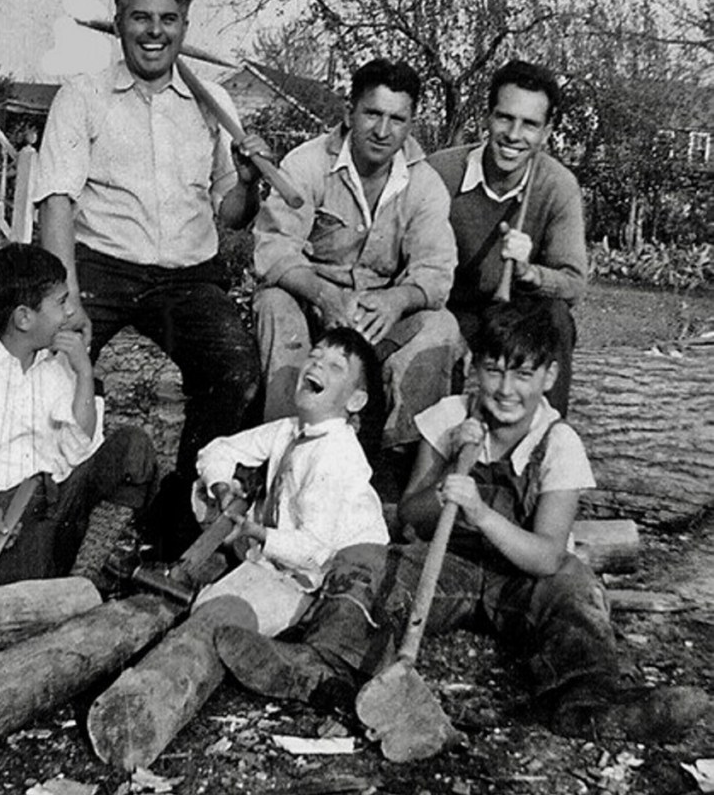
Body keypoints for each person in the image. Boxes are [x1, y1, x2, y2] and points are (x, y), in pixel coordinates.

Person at [213, 299, 709, 743]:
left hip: (519, 579)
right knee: (363, 561)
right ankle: (321, 668)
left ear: (549, 378)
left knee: (577, 586)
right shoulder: (449, 417)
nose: (505, 389)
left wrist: (479, 510)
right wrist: (451, 465)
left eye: (522, 375)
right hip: (443, 563)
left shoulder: (558, 444)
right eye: (494, 372)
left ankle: (590, 706)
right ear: (475, 369)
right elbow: (411, 516)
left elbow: (547, 555)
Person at [34, 0, 269, 550]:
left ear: (185, 25)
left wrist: (247, 182)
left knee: (235, 371)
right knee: (55, 367)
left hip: (189, 278)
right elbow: (56, 204)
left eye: (169, 19)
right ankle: (50, 513)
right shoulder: (82, 97)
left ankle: (172, 525)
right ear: (118, 22)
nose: (154, 31)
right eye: (141, 17)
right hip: (101, 266)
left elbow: (230, 214)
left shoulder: (212, 105)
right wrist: (65, 301)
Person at [142, 327, 389, 730]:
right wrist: (223, 488)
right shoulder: (289, 430)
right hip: (281, 557)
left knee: (228, 616)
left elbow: (312, 550)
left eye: (333, 366)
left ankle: (309, 665)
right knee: (209, 604)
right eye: (314, 355)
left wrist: (258, 535)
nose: (315, 364)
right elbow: (217, 450)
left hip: (330, 566)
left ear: (355, 400)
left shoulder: (338, 453)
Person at [253, 57, 461, 487]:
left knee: (440, 325)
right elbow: (273, 251)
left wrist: (397, 299)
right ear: (350, 112)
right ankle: (283, 457)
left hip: (378, 314)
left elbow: (436, 272)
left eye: (397, 119)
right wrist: (323, 296)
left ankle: (396, 472)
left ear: (410, 123)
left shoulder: (423, 184)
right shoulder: (307, 163)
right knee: (274, 305)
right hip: (312, 304)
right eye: (372, 114)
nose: (383, 131)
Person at [0, 244, 157, 585]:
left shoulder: (56, 368)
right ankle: (60, 581)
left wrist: (84, 373)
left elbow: (81, 450)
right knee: (28, 588)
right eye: (60, 303)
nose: (71, 311)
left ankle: (86, 566)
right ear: (24, 318)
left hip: (59, 500)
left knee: (133, 447)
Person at [427, 59, 586, 416]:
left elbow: (574, 284)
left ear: (546, 132)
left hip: (518, 316)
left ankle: (541, 441)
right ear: (488, 117)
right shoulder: (439, 173)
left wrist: (531, 273)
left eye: (530, 124)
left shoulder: (557, 186)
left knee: (557, 318)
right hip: (453, 310)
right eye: (505, 118)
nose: (514, 135)